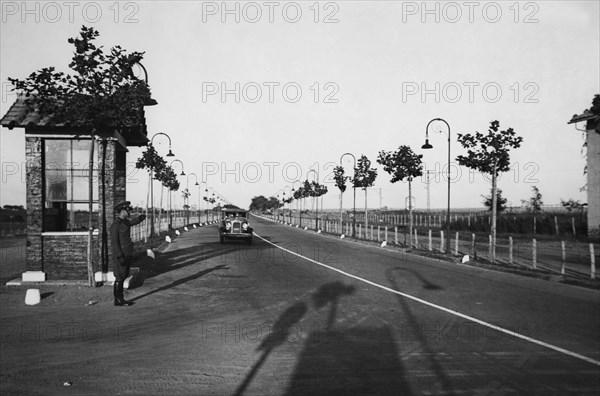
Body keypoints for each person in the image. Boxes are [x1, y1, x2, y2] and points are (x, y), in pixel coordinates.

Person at [110, 201, 146, 306]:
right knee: (119, 277)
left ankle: (120, 299)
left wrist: (140, 218)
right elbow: (115, 243)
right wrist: (120, 256)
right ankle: (118, 299)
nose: (129, 211)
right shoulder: (115, 225)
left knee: (124, 275)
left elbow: (132, 222)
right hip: (121, 255)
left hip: (127, 254)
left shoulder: (124, 222)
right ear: (122, 211)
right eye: (127, 210)